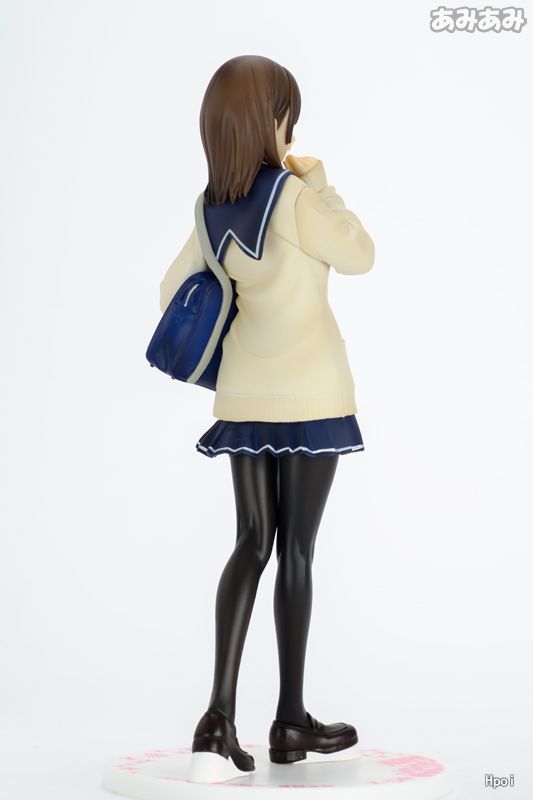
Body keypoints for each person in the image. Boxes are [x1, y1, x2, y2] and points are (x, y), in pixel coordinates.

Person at [159, 55, 375, 782]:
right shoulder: (293, 197)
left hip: (245, 399)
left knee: (251, 541)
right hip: (312, 395)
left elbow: (172, 291)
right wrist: (319, 181)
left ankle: (216, 720)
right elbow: (360, 255)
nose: (291, 131)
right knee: (297, 553)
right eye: (288, 116)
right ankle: (290, 720)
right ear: (270, 121)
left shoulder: (209, 208)